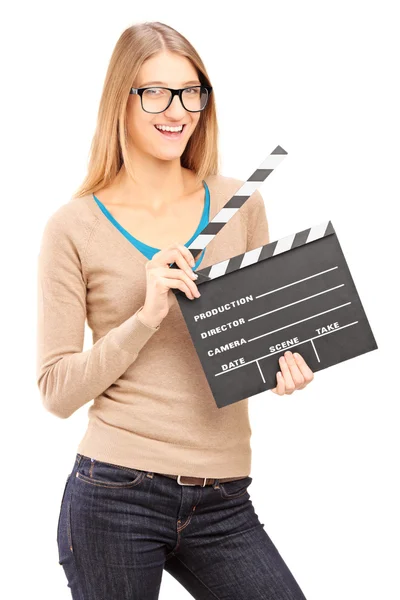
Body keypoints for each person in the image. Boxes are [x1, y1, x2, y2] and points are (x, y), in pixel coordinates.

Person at [36, 21, 315, 600]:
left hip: (225, 495)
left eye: (192, 92)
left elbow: (257, 340)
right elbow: (56, 391)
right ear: (122, 98)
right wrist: (144, 317)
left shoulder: (241, 204)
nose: (178, 110)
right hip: (115, 491)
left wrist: (284, 365)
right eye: (155, 91)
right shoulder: (74, 226)